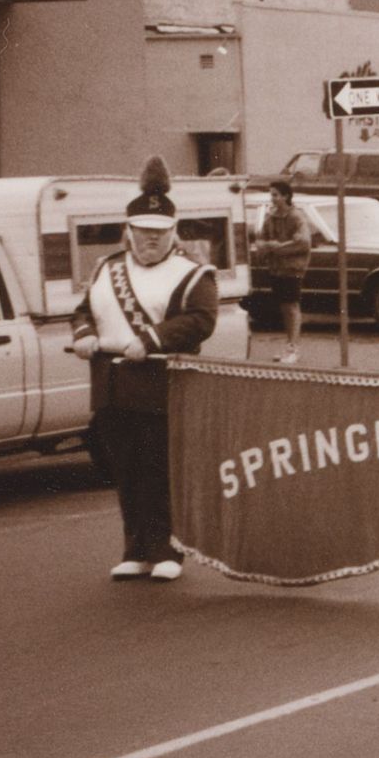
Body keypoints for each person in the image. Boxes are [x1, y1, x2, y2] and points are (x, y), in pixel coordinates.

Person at [68, 158, 219, 581]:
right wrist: (83, 334)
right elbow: (83, 310)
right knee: (126, 471)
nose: (151, 238)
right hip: (112, 386)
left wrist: (151, 339)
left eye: (159, 231)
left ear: (173, 231)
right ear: (129, 230)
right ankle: (134, 549)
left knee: (159, 471)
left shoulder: (192, 273)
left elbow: (201, 320)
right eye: (143, 230)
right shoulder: (107, 267)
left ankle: (167, 551)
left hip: (159, 386)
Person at [248, 177, 315, 364]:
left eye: (275, 195)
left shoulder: (296, 217)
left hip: (292, 269)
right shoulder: (271, 217)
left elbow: (303, 243)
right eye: (271, 195)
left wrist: (275, 247)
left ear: (286, 196)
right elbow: (261, 240)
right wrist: (266, 247)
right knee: (284, 308)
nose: (272, 198)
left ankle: (293, 348)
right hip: (276, 269)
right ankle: (289, 345)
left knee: (292, 307)